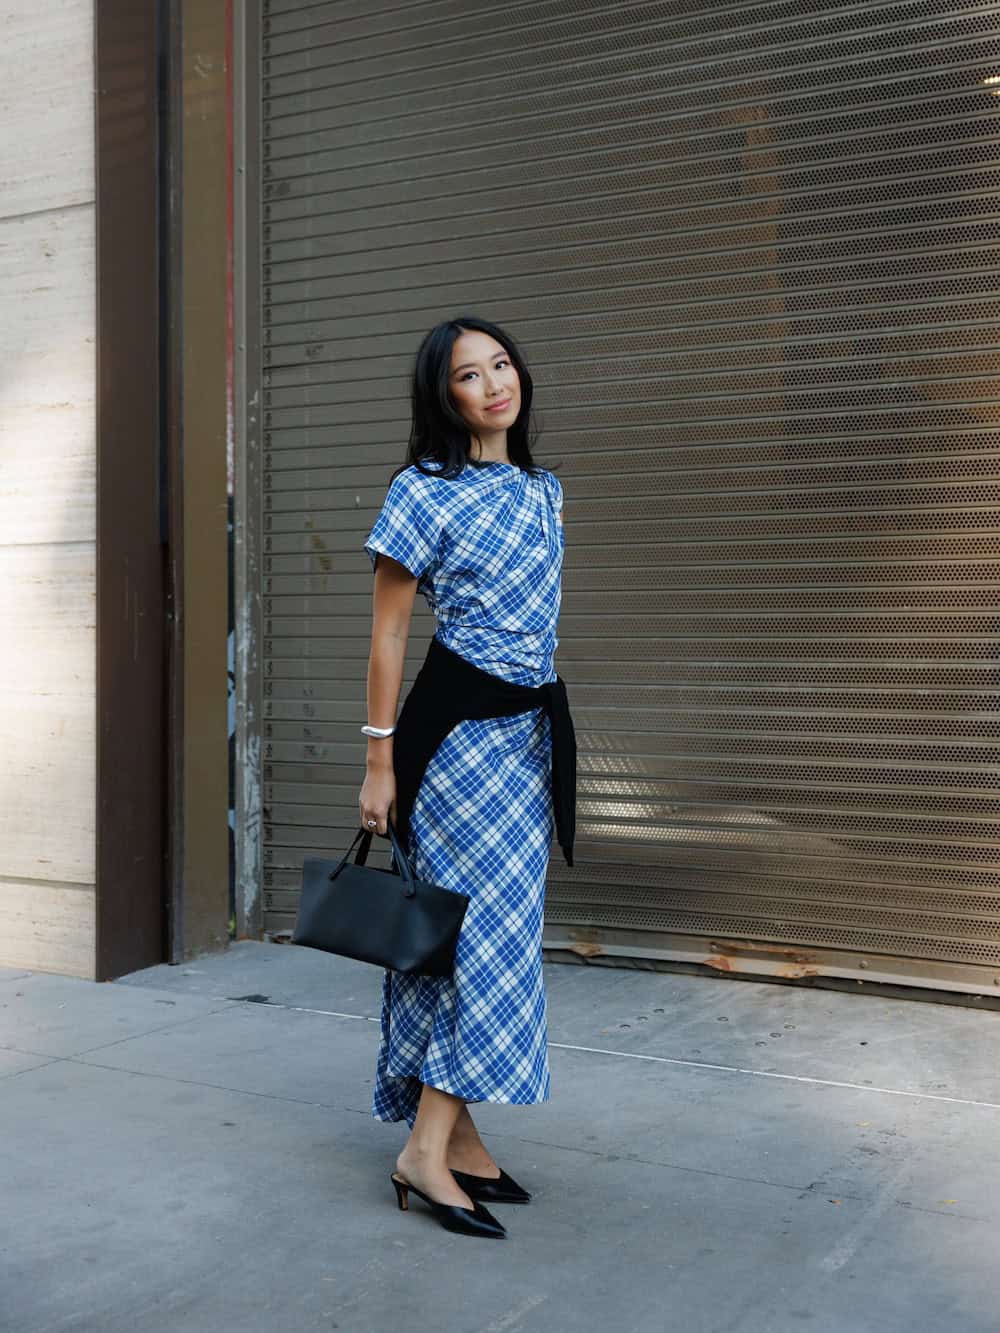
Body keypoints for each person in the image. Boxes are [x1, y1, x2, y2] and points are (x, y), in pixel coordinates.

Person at [358, 315, 574, 1240]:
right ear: (441, 395)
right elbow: (389, 633)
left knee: (469, 939)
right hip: (454, 748)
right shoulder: (423, 492)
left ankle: (464, 1142)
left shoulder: (546, 489)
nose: (493, 384)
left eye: (501, 365)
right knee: (484, 940)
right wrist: (376, 758)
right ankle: (424, 1147)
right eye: (468, 375)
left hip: (526, 738)